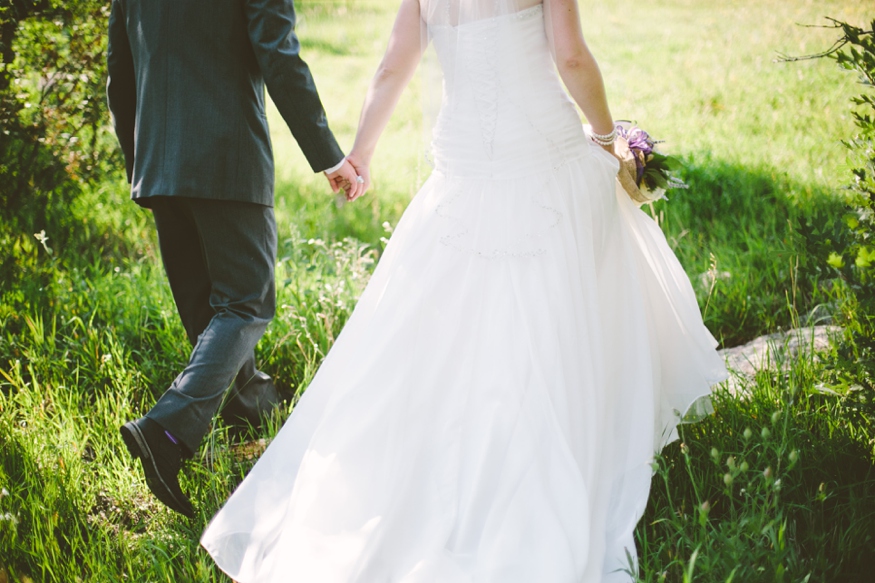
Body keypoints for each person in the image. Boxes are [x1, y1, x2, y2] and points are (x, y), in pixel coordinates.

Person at [201, 0, 727, 579]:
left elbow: (394, 65)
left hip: (465, 166)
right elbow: (572, 56)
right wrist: (607, 139)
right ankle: (589, 425)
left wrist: (362, 153)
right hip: (541, 152)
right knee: (589, 259)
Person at [106, 0, 364, 518]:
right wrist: (329, 155)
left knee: (210, 308)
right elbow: (278, 53)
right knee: (246, 303)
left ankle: (250, 412)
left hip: (157, 163)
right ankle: (165, 430)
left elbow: (119, 72)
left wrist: (143, 168)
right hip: (226, 157)